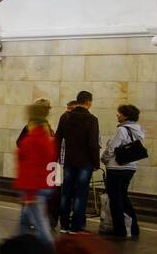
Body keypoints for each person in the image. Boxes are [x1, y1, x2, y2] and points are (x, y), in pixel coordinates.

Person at [54, 90, 100, 232]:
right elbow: (93, 143)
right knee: (81, 194)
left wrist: (56, 157)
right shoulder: (92, 119)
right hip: (85, 162)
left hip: (68, 160)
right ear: (89, 102)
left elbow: (57, 138)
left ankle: (64, 225)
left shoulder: (65, 117)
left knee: (66, 192)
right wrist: (96, 162)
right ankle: (76, 226)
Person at [15, 101, 57, 245]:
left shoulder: (33, 138)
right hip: (43, 183)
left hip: (34, 187)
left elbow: (31, 166)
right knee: (26, 220)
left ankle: (49, 253)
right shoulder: (47, 133)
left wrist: (29, 193)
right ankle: (21, 246)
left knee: (40, 225)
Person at [101, 104, 145, 240]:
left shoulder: (122, 130)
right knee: (123, 197)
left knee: (115, 199)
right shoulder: (138, 130)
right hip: (130, 167)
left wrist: (104, 158)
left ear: (125, 115)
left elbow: (112, 148)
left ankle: (119, 229)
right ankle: (134, 227)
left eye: (119, 113)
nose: (117, 115)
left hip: (116, 168)